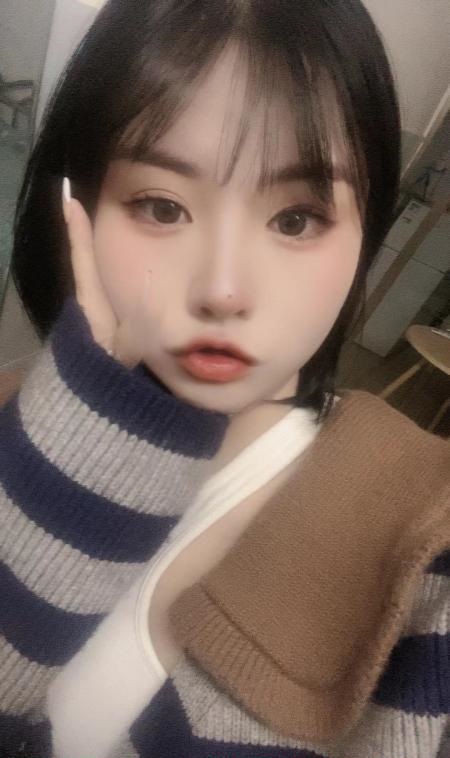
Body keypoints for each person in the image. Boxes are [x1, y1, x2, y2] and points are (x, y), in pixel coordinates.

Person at [1, 1, 449, 756]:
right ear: (75, 207)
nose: (223, 289)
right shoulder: (16, 423)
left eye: (295, 220)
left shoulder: (427, 549)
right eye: (161, 207)